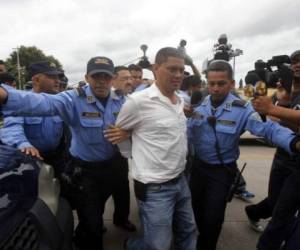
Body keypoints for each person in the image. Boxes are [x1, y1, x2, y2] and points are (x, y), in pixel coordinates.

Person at [0, 56, 128, 250]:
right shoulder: (73, 99)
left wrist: (127, 132)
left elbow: (141, 124)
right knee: (91, 222)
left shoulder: (122, 100)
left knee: (97, 213)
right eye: (96, 76)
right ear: (87, 77)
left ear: (112, 79)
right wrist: (6, 96)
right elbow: (42, 103)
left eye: (106, 76)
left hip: (112, 167)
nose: (102, 80)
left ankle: (84, 232)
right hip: (86, 173)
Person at [187, 60, 300, 250]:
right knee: (195, 211)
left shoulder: (242, 109)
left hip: (221, 173)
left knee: (213, 219)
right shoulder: (198, 106)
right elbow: (187, 133)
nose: (215, 89)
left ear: (231, 84)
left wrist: (293, 142)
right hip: (197, 168)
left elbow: (268, 129)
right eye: (211, 83)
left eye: (221, 83)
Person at [106, 47, 197, 250]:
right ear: (156, 68)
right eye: (172, 69)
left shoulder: (179, 100)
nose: (178, 75)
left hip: (180, 180)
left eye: (181, 70)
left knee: (188, 230)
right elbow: (118, 132)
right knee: (159, 245)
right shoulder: (137, 102)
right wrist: (131, 154)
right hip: (155, 187)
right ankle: (132, 245)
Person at [249, 50, 300, 250]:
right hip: (285, 155)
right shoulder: (289, 91)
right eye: (294, 62)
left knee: (282, 214)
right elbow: (289, 124)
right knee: (276, 205)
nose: (297, 65)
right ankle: (254, 213)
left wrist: (272, 109)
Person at [0, 61, 65, 179]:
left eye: (58, 77)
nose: (58, 81)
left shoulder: (60, 103)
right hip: (31, 160)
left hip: (58, 159)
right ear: (36, 80)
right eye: (52, 77)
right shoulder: (20, 103)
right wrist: (23, 144)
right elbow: (12, 128)